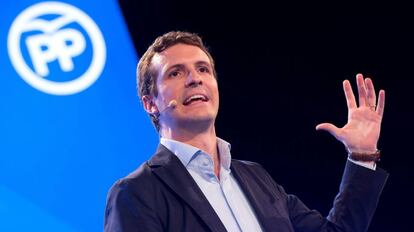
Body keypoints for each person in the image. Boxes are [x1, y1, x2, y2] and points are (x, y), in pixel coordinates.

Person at [104, 31, 388, 232]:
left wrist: (361, 156)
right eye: (175, 73)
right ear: (150, 103)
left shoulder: (256, 178)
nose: (194, 79)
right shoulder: (136, 193)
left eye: (203, 69)